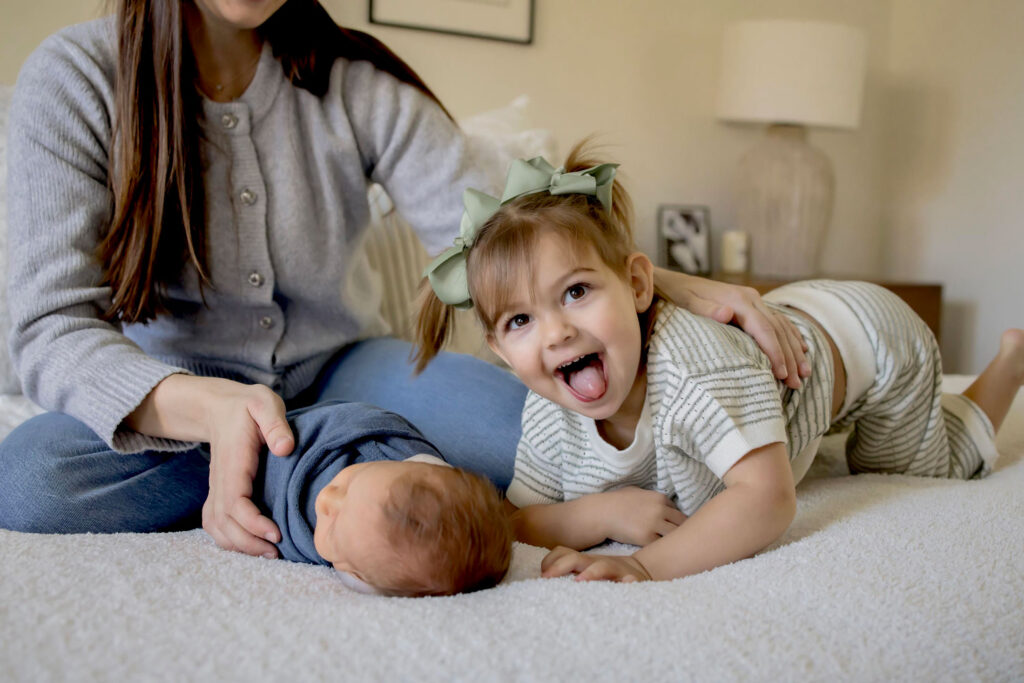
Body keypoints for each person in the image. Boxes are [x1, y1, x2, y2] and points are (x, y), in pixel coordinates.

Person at [0, 0, 809, 561]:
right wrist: (214, 413)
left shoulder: (350, 80)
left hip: (342, 373)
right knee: (30, 485)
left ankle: (309, 460)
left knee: (536, 441)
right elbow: (48, 328)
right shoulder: (74, 79)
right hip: (175, 403)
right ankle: (342, 465)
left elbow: (499, 234)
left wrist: (669, 283)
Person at [413, 142, 1023, 583]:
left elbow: (767, 499)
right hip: (781, 343)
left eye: (576, 292)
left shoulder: (693, 372)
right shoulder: (550, 408)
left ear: (638, 285)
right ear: (498, 350)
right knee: (794, 439)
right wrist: (599, 511)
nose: (557, 333)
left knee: (915, 463)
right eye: (521, 321)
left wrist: (644, 566)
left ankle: (1008, 367)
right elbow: (520, 518)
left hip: (866, 336)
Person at [252, 400, 511, 597]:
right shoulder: (389, 451)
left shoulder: (359, 557)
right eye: (352, 480)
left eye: (333, 533)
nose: (326, 498)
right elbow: (354, 418)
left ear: (355, 576)